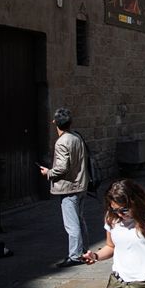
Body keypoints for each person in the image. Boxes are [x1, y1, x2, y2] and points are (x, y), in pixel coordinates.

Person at [40, 107, 89, 268]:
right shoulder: (77, 137)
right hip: (81, 184)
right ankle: (83, 250)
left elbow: (61, 167)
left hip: (69, 187)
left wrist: (48, 172)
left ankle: (75, 255)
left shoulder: (62, 142)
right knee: (79, 219)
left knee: (72, 224)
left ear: (55, 122)